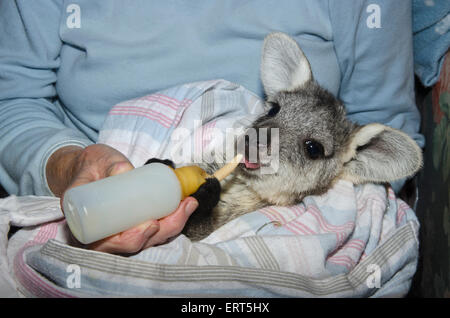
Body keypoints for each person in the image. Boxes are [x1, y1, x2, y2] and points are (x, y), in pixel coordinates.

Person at [0, 0, 424, 254]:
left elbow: (382, 114)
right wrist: (69, 164)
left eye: (311, 147)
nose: (263, 142)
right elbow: (15, 98)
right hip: (108, 173)